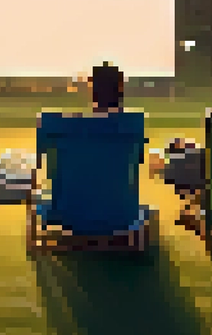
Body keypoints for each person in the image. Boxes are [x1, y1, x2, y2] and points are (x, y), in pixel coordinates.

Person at [34, 62, 148, 237]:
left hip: (66, 215)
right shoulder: (133, 124)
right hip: (121, 217)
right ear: (120, 89)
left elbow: (39, 159)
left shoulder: (57, 125)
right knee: (145, 209)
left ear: (91, 90)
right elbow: (137, 162)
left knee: (41, 197)